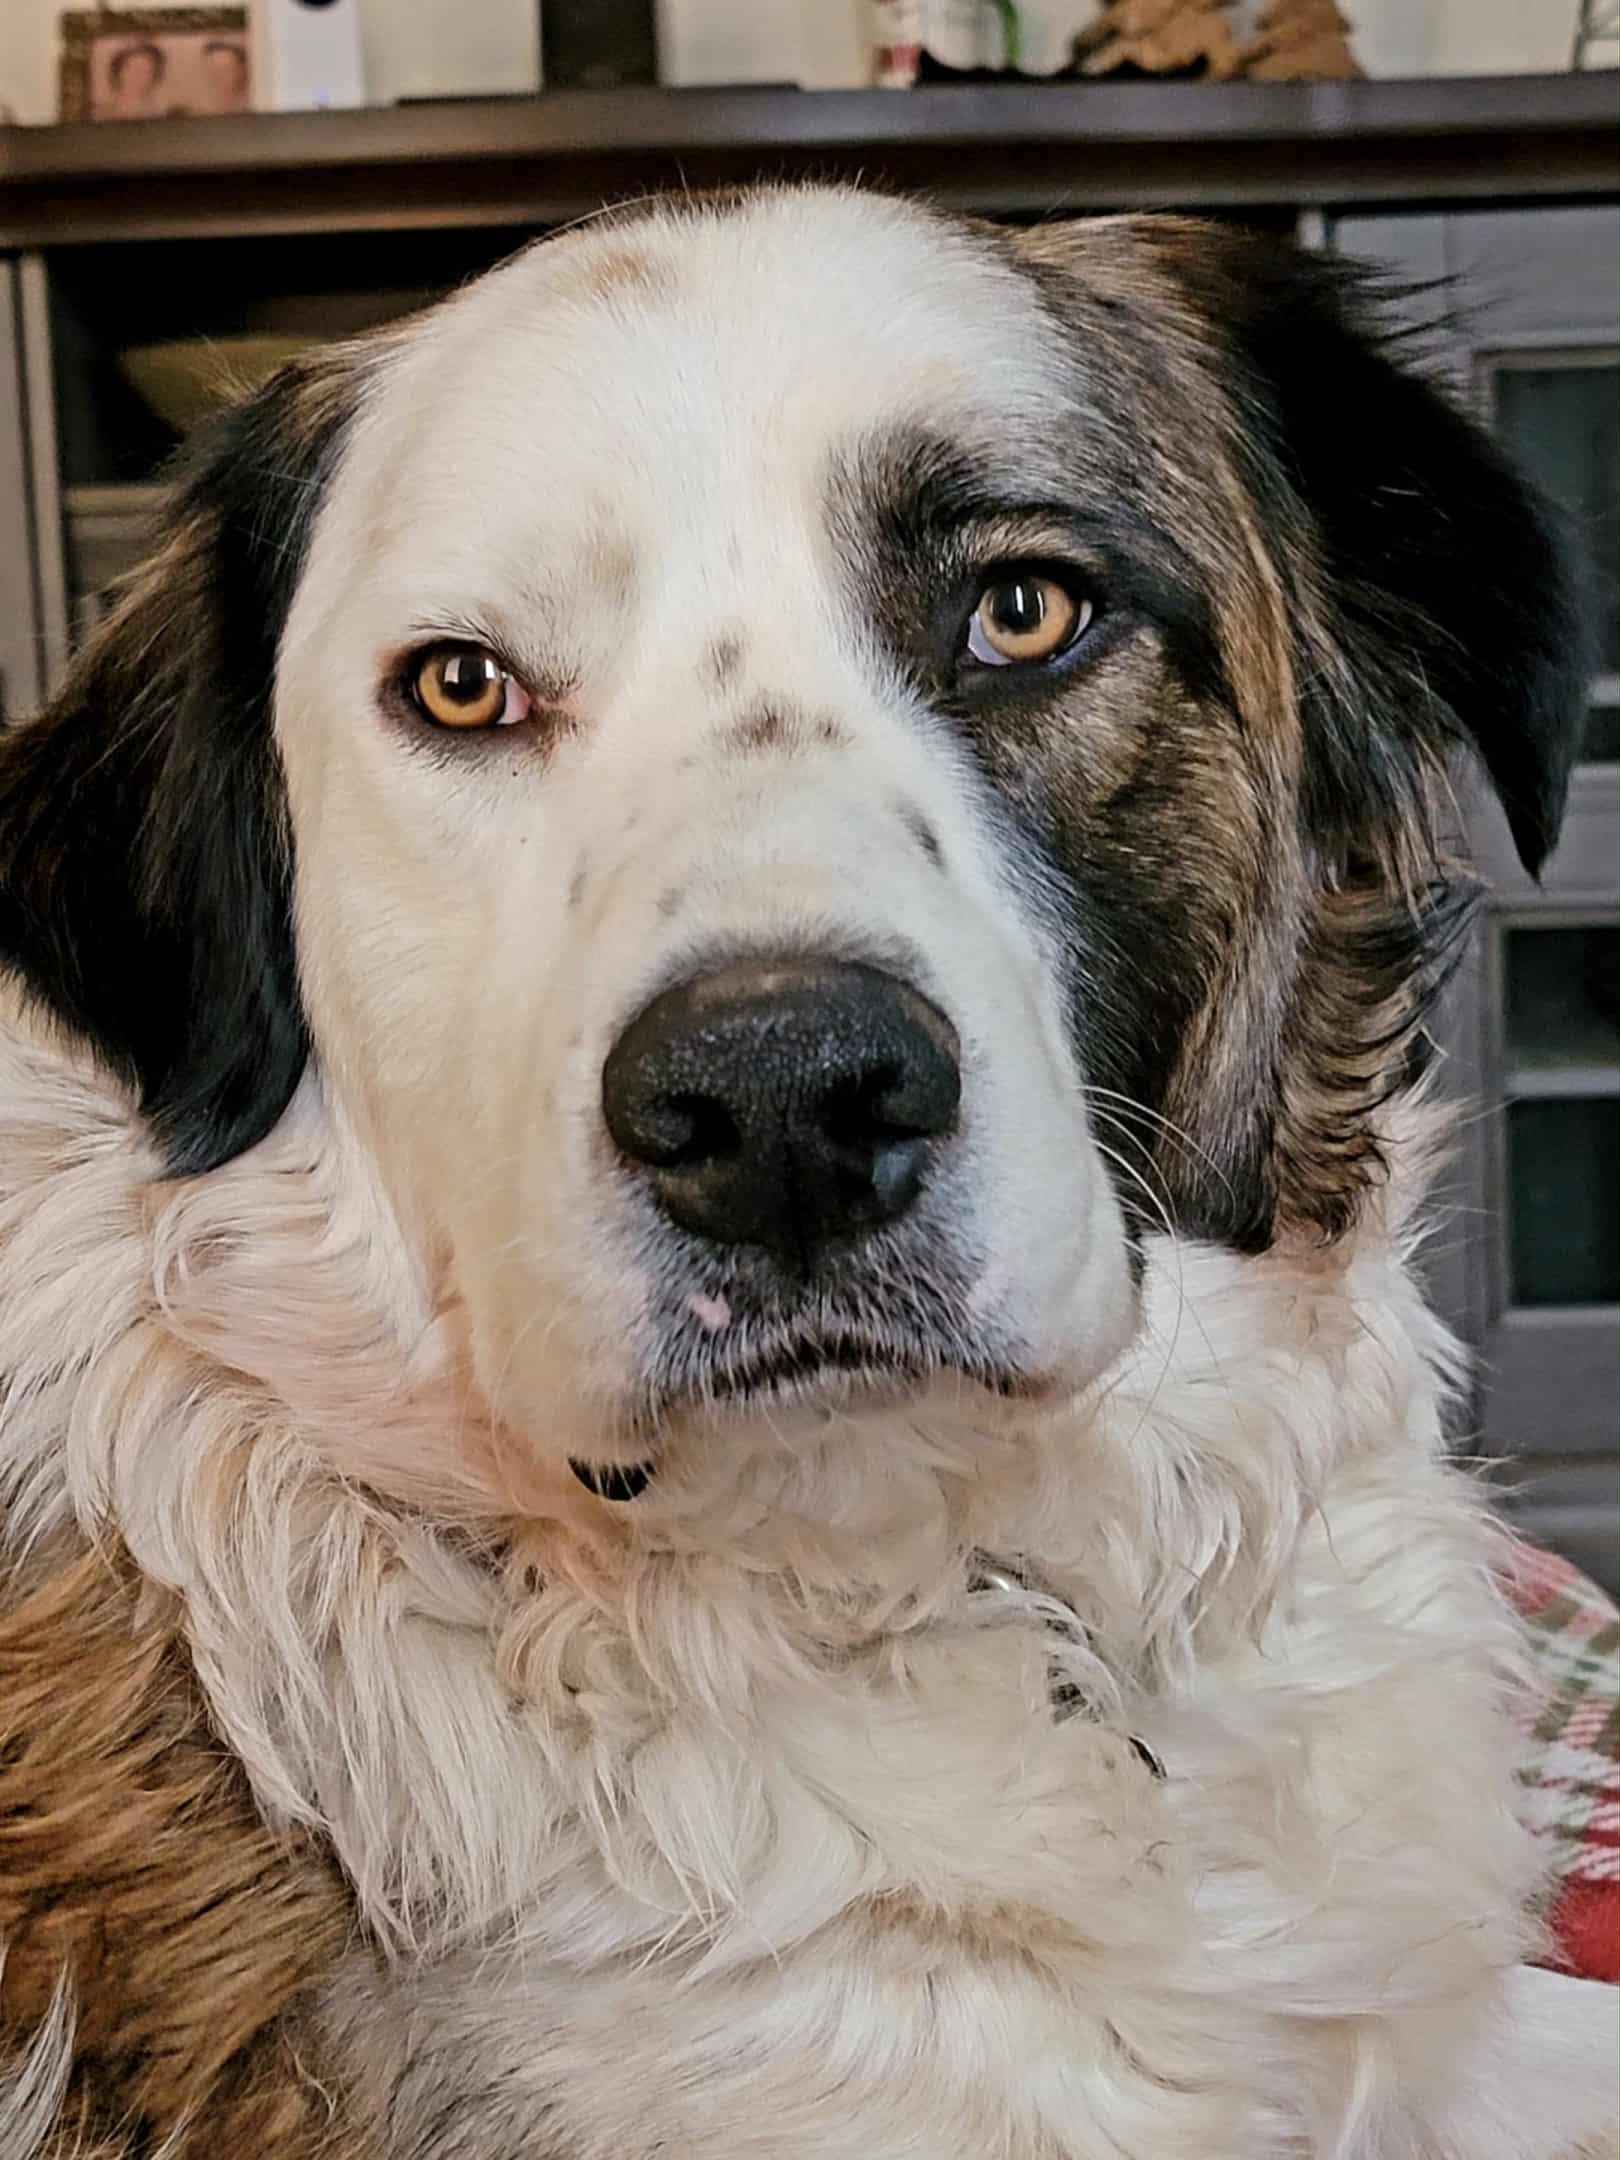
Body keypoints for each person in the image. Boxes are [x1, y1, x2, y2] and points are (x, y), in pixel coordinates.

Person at [102, 40, 166, 121]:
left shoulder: (158, 115)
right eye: (132, 68)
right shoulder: (102, 113)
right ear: (119, 71)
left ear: (153, 76)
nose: (137, 76)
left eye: (145, 71)